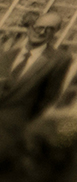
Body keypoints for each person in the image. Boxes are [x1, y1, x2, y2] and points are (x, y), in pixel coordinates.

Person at [0, 12, 72, 146]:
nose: (42, 32)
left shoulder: (57, 60)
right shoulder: (6, 56)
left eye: (49, 29)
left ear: (55, 33)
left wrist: (22, 122)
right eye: (39, 27)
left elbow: (49, 97)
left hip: (12, 130)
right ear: (30, 28)